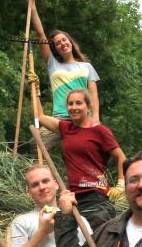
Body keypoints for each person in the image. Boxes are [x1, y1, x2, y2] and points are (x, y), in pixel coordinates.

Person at [34, 89, 126, 230]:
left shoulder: (99, 131)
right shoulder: (66, 128)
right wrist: (36, 91)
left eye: (78, 103)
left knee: (101, 242)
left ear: (88, 106)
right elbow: (39, 116)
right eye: (70, 104)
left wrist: (121, 184)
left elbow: (121, 157)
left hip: (96, 196)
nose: (74, 107)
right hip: (73, 198)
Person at [27, 0, 101, 125]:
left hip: (84, 119)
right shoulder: (52, 64)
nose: (62, 43)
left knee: (90, 146)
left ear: (70, 42)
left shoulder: (87, 67)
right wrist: (32, 5)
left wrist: (95, 118)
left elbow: (93, 95)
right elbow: (40, 34)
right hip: (60, 119)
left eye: (64, 40)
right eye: (58, 43)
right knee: (36, 144)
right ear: (55, 48)